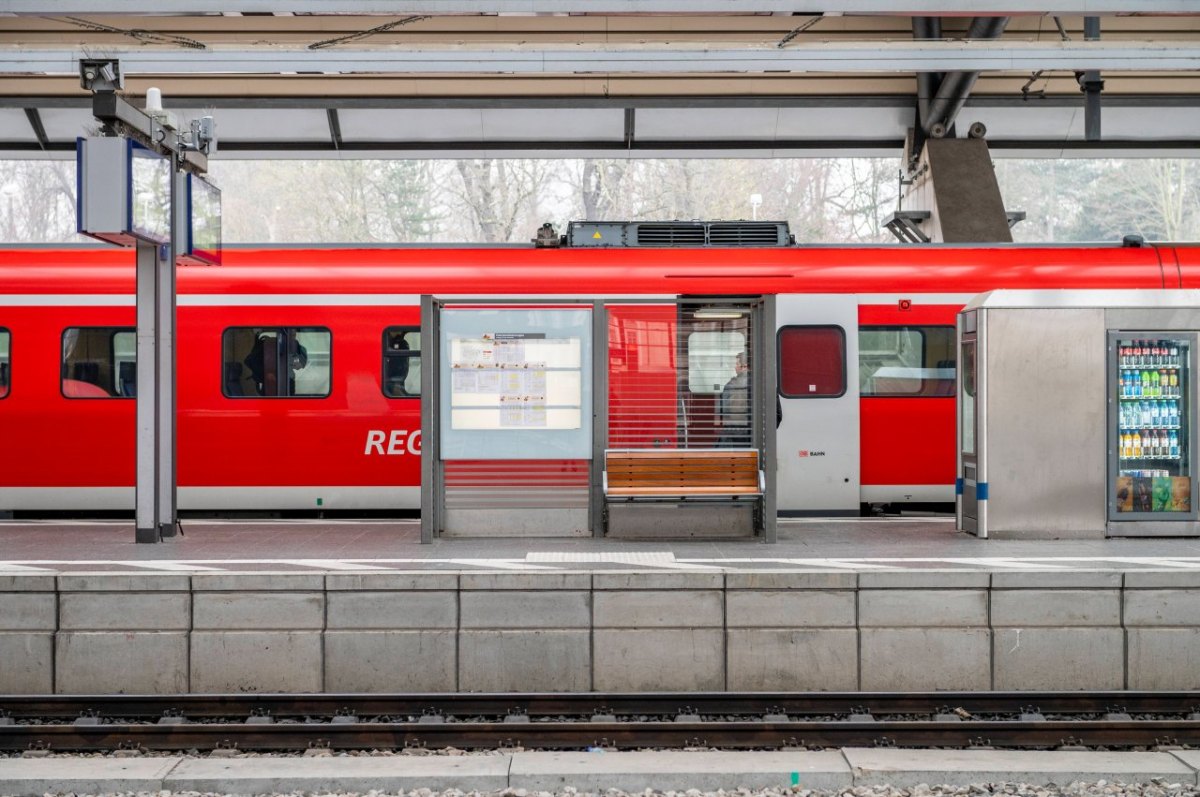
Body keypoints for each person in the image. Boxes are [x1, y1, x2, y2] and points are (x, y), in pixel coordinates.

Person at [244, 332, 307, 396]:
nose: (292, 336)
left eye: (293, 334)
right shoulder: (270, 345)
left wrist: (295, 354)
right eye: (289, 334)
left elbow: (300, 365)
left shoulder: (296, 346)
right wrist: (266, 374)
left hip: (288, 381)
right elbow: (250, 361)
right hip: (270, 382)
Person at [717, 352, 751, 447]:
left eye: (736, 364)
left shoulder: (732, 385)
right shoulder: (764, 382)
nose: (735, 367)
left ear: (744, 366)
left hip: (737, 432)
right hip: (757, 433)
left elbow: (724, 411)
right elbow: (777, 414)